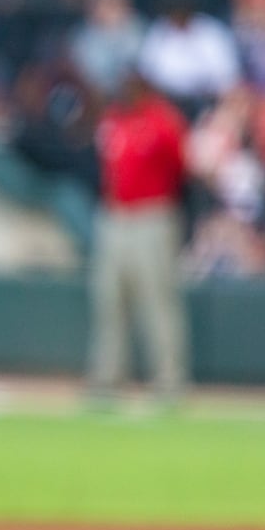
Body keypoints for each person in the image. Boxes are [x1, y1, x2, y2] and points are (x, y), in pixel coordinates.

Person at [86, 68, 191, 404]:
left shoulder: (163, 121)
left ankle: (169, 381)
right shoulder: (113, 120)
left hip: (152, 216)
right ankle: (107, 379)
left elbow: (181, 169)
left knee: (157, 302)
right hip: (114, 217)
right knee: (109, 301)